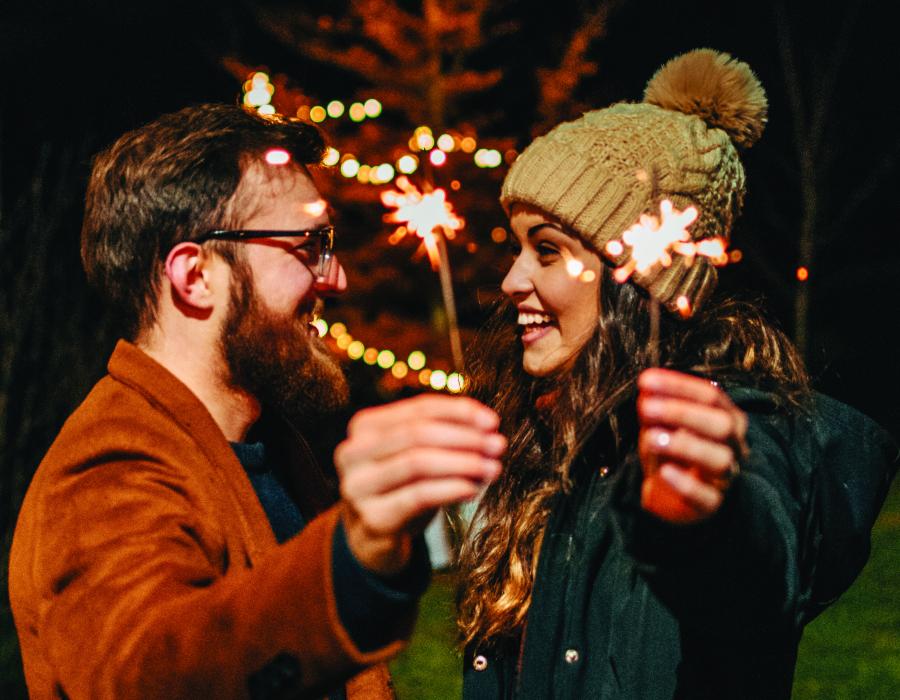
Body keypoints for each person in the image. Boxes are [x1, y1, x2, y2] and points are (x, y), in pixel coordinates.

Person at [8, 104, 505, 699]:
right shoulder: (108, 468)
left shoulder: (270, 447)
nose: (337, 277)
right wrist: (353, 563)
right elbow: (150, 671)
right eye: (308, 245)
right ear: (195, 276)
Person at [457, 49, 897, 699]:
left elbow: (754, 572)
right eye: (516, 247)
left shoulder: (734, 429)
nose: (512, 280)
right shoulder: (548, 436)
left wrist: (713, 516)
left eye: (546, 250)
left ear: (639, 272)